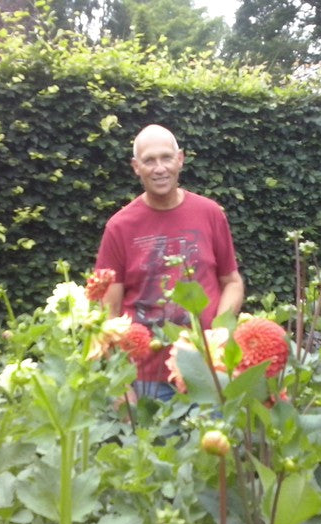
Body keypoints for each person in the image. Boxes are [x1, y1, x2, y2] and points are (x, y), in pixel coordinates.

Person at [95, 124, 244, 401]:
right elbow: (108, 312)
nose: (159, 168)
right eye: (149, 160)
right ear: (135, 167)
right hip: (145, 380)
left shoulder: (210, 213)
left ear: (180, 159)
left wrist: (219, 334)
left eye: (166, 157)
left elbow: (232, 282)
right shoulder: (120, 226)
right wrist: (120, 384)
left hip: (206, 373)